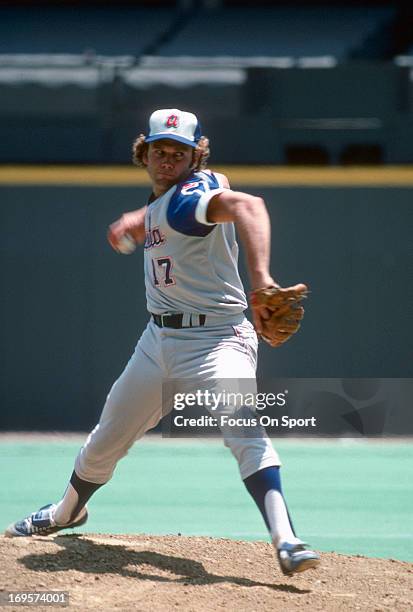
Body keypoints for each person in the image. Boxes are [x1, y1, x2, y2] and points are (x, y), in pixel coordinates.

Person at [5, 108, 320, 577]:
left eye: (179, 152)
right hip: (157, 341)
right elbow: (171, 208)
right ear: (144, 153)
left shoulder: (186, 200)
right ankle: (66, 512)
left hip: (219, 340)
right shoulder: (169, 200)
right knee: (104, 442)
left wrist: (262, 283)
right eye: (159, 150)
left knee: (244, 432)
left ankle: (287, 540)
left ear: (196, 156)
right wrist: (138, 218)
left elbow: (248, 206)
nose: (167, 159)